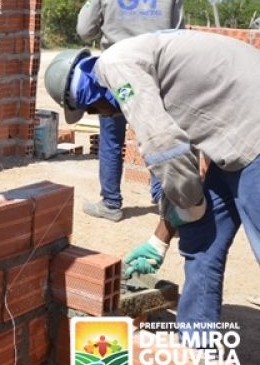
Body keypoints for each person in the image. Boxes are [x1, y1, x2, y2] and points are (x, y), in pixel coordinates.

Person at [44, 29, 260, 342]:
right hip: (232, 128)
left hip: (252, 133)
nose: (105, 115)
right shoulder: (136, 65)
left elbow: (163, 147)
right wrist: (159, 240)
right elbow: (187, 162)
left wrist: (190, 204)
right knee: (201, 241)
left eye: (93, 111)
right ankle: (196, 352)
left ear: (87, 95)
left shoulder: (116, 66)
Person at [75, 0, 184, 222]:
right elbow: (179, 37)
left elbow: (84, 30)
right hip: (155, 78)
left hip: (116, 80)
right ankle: (162, 201)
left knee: (112, 139)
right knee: (156, 136)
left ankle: (111, 205)